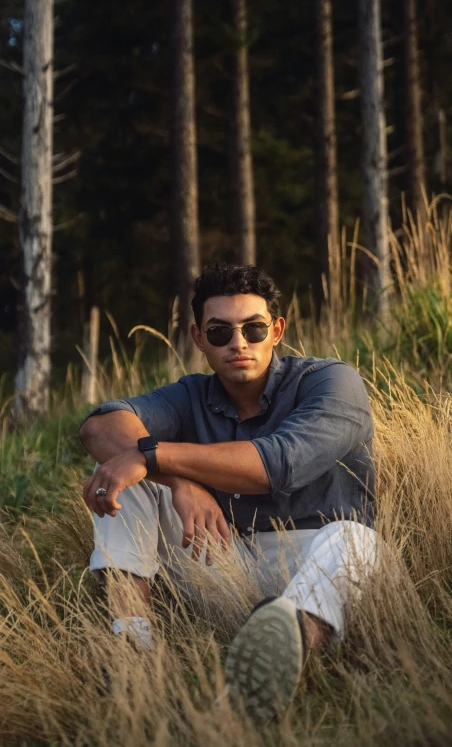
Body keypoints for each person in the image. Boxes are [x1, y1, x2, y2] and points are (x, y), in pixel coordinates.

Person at [80, 262, 377, 723]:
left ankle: (281, 656)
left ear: (276, 330)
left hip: (323, 560)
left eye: (254, 328)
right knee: (116, 470)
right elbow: (99, 425)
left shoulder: (329, 382)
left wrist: (153, 458)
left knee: (356, 540)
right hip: (223, 558)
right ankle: (131, 645)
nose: (238, 343)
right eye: (219, 332)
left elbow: (275, 462)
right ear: (199, 339)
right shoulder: (191, 395)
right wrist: (178, 480)